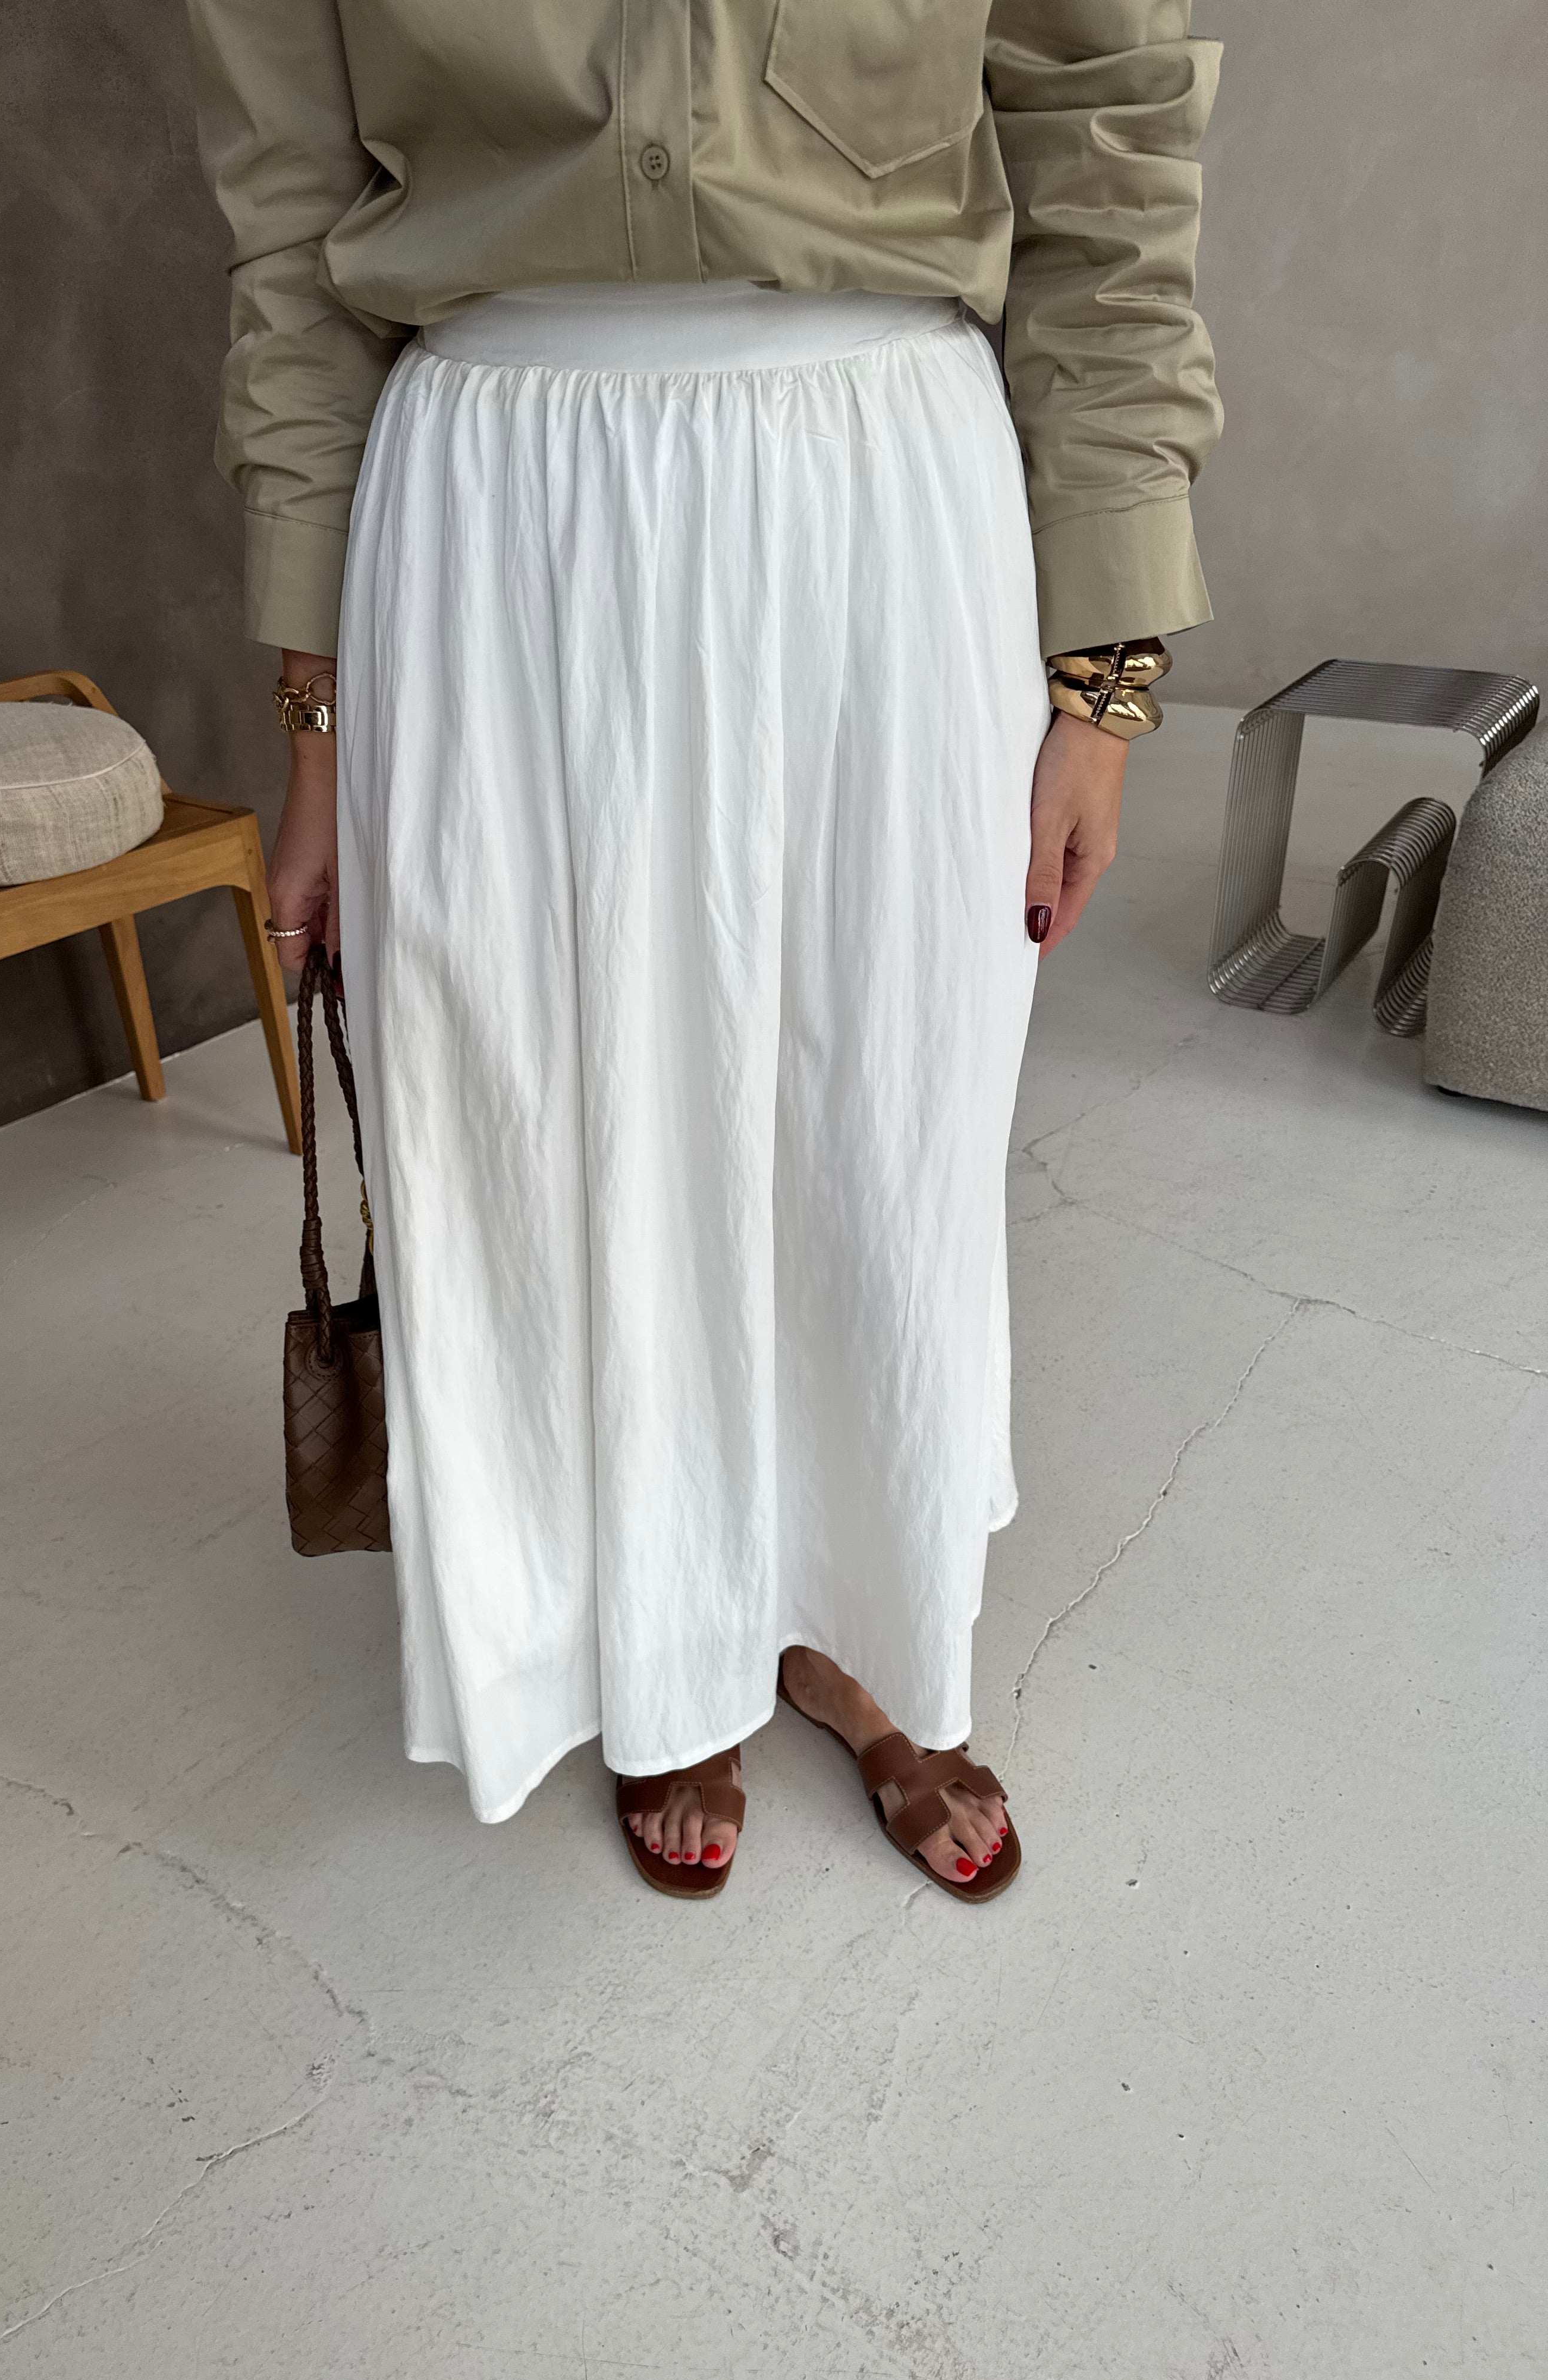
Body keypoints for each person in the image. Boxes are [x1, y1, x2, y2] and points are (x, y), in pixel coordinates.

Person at [190, 0, 1221, 1901]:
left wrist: (1104, 675)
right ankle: (661, 1633)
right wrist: (319, 723)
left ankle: (858, 1614)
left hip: (880, 496)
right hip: (499, 522)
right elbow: (291, 218)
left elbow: (1109, 136)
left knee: (879, 1122)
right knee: (547, 1125)